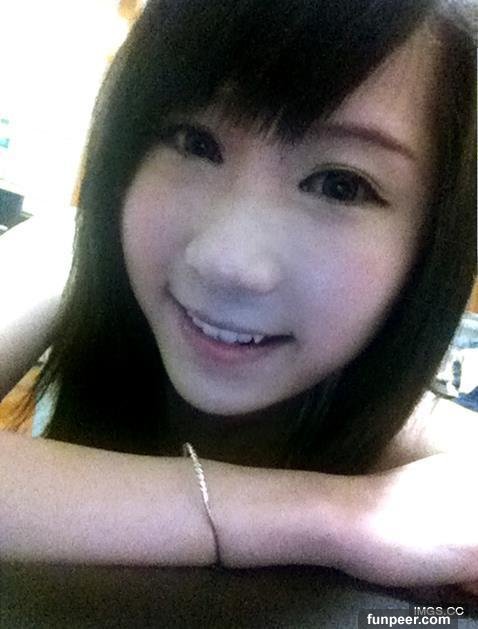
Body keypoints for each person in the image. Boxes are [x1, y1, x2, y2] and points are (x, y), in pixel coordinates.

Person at [1, 0, 477, 592]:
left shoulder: (431, 460)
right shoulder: (65, 252)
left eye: (340, 185)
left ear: (434, 240)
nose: (226, 262)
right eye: (194, 142)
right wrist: (334, 517)